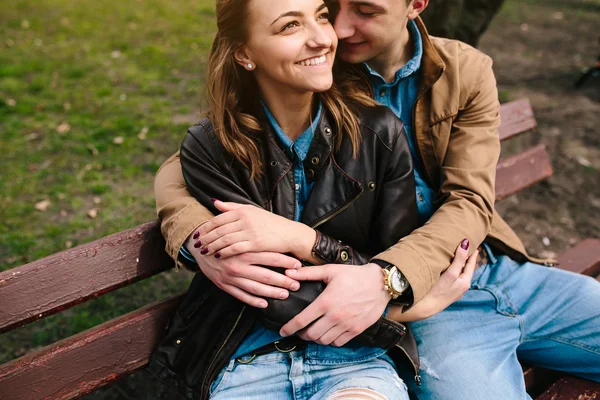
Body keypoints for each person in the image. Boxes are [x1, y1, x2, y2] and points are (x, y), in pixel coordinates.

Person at [154, 0, 600, 399]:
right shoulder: (318, 70)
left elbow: (470, 201)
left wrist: (388, 279)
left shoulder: (464, 69)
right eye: (334, 8)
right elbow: (188, 162)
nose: (341, 30)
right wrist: (200, 239)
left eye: (365, 11)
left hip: (483, 267)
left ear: (416, 4)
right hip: (413, 308)